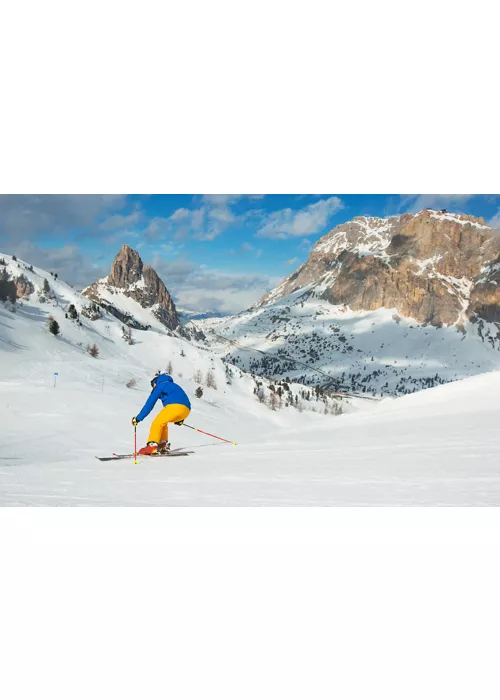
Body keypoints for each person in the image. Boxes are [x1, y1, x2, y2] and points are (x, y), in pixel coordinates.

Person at [132, 371, 191, 455]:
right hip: (186, 410)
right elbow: (184, 400)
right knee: (163, 422)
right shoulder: (173, 386)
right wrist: (180, 418)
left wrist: (138, 418)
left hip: (174, 407)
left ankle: (152, 446)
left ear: (155, 381)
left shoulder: (160, 385)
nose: (153, 387)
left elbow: (149, 404)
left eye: (153, 385)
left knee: (157, 423)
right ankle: (163, 445)